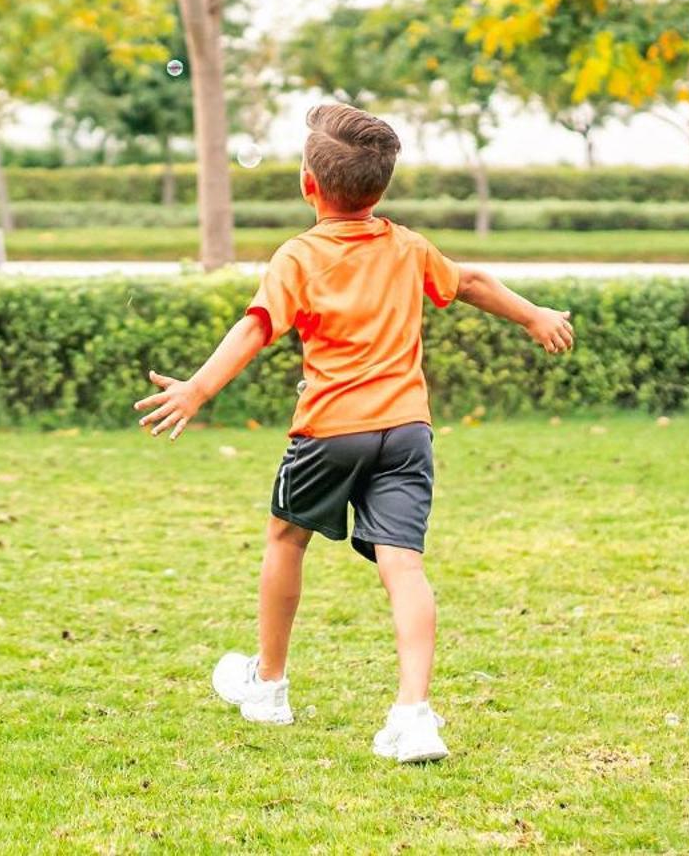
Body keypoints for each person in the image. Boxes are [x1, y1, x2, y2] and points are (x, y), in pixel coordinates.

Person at [135, 103, 574, 763]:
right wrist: (533, 314)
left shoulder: (300, 256)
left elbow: (257, 325)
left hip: (329, 432)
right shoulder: (406, 246)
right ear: (382, 187)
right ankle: (414, 715)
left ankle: (270, 685)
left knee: (286, 538)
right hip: (405, 432)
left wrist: (198, 388)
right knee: (404, 565)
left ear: (308, 185)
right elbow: (473, 282)